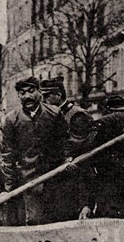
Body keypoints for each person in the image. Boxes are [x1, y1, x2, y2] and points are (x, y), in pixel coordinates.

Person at [0, 76, 69, 225]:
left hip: (54, 178)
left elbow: (64, 142)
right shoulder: (11, 120)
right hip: (28, 182)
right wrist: (9, 187)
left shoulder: (54, 114)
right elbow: (8, 155)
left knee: (59, 220)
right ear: (18, 96)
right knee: (34, 221)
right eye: (23, 93)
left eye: (31, 91)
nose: (27, 96)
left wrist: (66, 160)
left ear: (39, 92)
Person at [40, 77, 96, 221]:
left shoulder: (77, 115)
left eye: (46, 96)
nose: (43, 100)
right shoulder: (48, 116)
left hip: (74, 180)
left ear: (58, 95)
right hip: (54, 177)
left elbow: (81, 147)